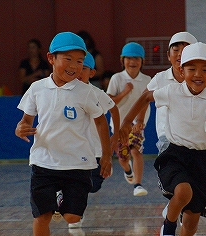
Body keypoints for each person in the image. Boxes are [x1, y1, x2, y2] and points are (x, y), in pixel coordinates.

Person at [119, 42, 206, 236]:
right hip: (175, 154)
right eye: (191, 69)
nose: (198, 74)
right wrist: (127, 121)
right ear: (181, 70)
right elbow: (146, 97)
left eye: (205, 70)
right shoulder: (172, 92)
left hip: (204, 160)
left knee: (191, 220)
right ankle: (168, 227)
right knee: (183, 192)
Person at [15, 32, 112, 236]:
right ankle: (53, 202)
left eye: (79, 61)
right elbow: (25, 121)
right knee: (42, 216)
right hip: (44, 162)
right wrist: (20, 128)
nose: (74, 66)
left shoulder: (85, 91)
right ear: (51, 58)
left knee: (72, 217)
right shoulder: (37, 88)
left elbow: (101, 121)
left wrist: (106, 155)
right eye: (68, 59)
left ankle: (60, 200)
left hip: (77, 163)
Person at [66, 53, 119, 229]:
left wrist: (116, 134)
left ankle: (72, 204)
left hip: (96, 150)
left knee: (93, 186)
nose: (79, 72)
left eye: (84, 68)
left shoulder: (97, 94)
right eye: (77, 68)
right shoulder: (67, 92)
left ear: (92, 72)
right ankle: (75, 213)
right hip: (75, 150)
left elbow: (114, 109)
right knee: (76, 183)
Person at [106, 42, 151, 197]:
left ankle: (137, 184)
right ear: (122, 60)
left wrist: (140, 121)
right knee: (123, 156)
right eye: (129, 58)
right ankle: (127, 170)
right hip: (118, 124)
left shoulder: (147, 80)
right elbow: (109, 102)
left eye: (137, 58)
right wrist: (124, 92)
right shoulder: (117, 78)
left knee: (136, 151)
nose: (132, 62)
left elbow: (147, 102)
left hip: (137, 124)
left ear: (142, 61)